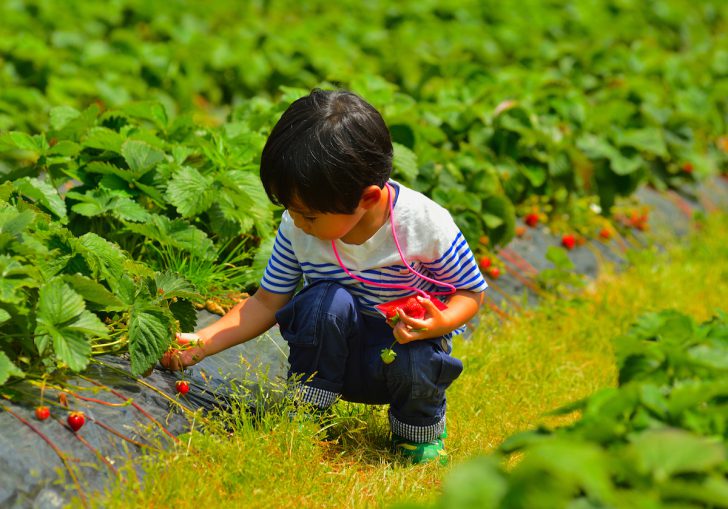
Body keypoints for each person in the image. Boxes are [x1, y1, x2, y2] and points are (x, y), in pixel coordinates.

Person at [161, 89, 488, 464]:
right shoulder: (298, 227)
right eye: (291, 209)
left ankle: (416, 433)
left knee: (417, 359)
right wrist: (201, 341)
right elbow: (267, 300)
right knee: (322, 302)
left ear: (366, 198)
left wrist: (440, 321)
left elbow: (470, 291)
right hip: (335, 355)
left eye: (309, 215)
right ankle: (309, 411)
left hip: (404, 348)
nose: (297, 222)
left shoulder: (424, 225)